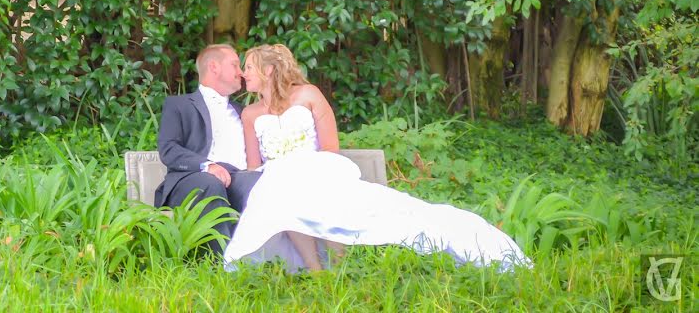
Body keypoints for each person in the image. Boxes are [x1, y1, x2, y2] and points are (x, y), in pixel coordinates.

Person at [223, 44, 529, 272]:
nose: (242, 73)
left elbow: (329, 147)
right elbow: (254, 165)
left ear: (268, 70)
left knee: (313, 187)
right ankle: (316, 272)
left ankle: (339, 265)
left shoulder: (309, 94)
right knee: (280, 184)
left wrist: (305, 169)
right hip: (278, 177)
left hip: (318, 167)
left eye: (248, 67)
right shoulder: (250, 114)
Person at [155, 44, 262, 254]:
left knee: (262, 184)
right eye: (234, 65)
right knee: (210, 184)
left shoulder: (244, 112)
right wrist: (207, 165)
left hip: (238, 176)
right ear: (214, 67)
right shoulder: (179, 105)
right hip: (195, 177)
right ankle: (221, 265)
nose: (240, 72)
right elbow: (168, 149)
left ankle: (268, 262)